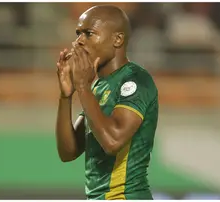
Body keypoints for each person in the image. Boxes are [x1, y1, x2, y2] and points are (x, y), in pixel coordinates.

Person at [55, 5, 158, 200]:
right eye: (78, 33)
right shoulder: (98, 86)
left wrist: (83, 87)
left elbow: (112, 142)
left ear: (117, 39)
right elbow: (68, 152)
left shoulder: (136, 80)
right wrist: (66, 96)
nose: (79, 41)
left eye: (89, 33)